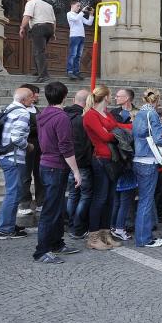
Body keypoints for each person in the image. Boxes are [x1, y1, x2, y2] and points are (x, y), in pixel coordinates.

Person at [33, 81, 82, 264]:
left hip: (47, 163)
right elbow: (66, 147)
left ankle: (56, 243)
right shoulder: (61, 118)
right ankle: (41, 250)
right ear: (65, 96)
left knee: (57, 207)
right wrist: (76, 171)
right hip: (55, 165)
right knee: (51, 210)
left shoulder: (43, 114)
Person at [82, 84, 130, 251]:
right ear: (106, 97)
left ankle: (105, 233)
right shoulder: (90, 115)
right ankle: (93, 236)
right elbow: (105, 135)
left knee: (109, 199)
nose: (112, 98)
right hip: (101, 159)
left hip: (112, 159)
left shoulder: (106, 113)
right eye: (111, 95)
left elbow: (117, 127)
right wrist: (117, 134)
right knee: (100, 198)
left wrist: (132, 127)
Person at [131, 88, 162, 248]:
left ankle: (143, 236)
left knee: (143, 200)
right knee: (146, 201)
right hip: (148, 159)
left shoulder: (139, 113)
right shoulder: (152, 113)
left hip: (138, 159)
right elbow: (159, 138)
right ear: (157, 100)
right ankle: (144, 238)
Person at [0, 87, 33, 240]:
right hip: (14, 158)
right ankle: (5, 229)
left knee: (13, 192)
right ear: (23, 100)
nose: (33, 100)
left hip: (4, 155)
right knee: (13, 193)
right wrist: (28, 146)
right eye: (31, 97)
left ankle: (7, 224)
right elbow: (17, 138)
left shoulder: (8, 108)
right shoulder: (23, 112)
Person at [64, 89, 93, 240]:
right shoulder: (83, 118)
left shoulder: (64, 115)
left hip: (68, 161)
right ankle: (78, 227)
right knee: (85, 195)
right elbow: (86, 143)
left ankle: (71, 224)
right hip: (82, 162)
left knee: (73, 194)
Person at [18, 0, 56, 83]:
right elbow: (54, 21)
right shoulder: (48, 5)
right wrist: (53, 33)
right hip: (49, 28)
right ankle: (38, 70)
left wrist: (22, 27)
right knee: (38, 50)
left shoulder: (31, 3)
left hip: (39, 28)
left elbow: (27, 16)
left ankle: (43, 75)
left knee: (39, 51)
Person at [18, 83, 43, 216]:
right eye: (35, 93)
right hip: (27, 145)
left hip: (39, 145)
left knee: (39, 174)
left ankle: (40, 201)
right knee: (25, 175)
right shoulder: (21, 110)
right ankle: (25, 203)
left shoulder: (35, 108)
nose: (37, 95)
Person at [65, 1, 94, 80]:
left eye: (80, 6)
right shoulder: (69, 14)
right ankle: (70, 71)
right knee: (73, 54)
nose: (79, 8)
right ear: (72, 5)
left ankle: (76, 72)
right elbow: (75, 19)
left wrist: (91, 14)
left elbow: (89, 23)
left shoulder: (79, 15)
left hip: (81, 36)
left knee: (78, 55)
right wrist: (82, 11)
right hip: (74, 36)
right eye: (77, 6)